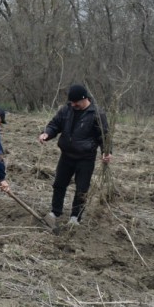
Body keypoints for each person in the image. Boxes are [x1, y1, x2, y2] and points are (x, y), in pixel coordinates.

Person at [38, 84, 111, 227]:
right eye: (71, 102)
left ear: (84, 99)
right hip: (66, 155)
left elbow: (105, 136)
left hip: (85, 158)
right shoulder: (67, 109)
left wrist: (106, 153)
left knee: (81, 189)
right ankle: (55, 212)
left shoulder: (97, 114)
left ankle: (75, 218)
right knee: (59, 184)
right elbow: (55, 124)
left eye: (75, 102)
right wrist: (47, 133)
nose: (73, 105)